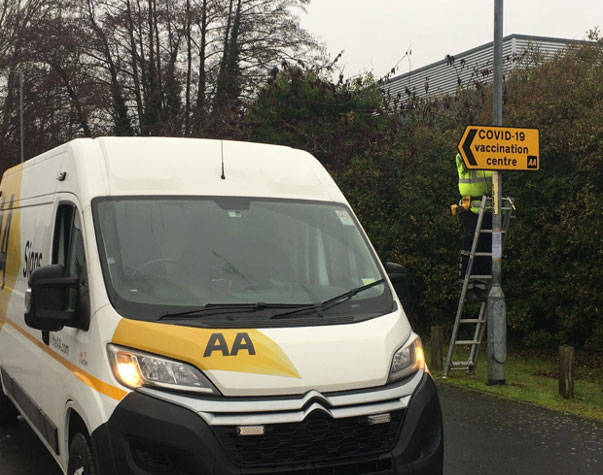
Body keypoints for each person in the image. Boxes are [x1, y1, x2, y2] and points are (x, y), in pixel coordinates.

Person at [455, 153, 492, 302]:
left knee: (486, 249)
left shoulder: (492, 153)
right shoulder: (463, 153)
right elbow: (464, 159)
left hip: (489, 208)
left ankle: (481, 287)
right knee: (469, 247)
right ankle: (466, 286)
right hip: (469, 208)